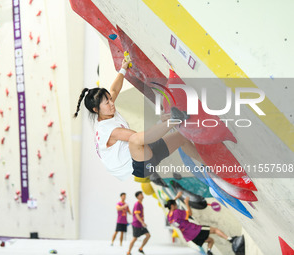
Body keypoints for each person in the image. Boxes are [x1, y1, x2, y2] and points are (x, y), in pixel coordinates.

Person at [74, 58, 204, 181]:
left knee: (182, 138)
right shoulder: (107, 130)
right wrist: (163, 123)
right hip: (140, 167)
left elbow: (114, 89)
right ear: (96, 110)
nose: (111, 103)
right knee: (135, 139)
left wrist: (123, 69)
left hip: (144, 153)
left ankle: (207, 165)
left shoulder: (106, 110)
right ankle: (175, 120)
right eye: (107, 103)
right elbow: (140, 139)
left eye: (109, 99)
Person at [165, 191, 237, 255]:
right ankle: (231, 239)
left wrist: (177, 197)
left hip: (190, 237)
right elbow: (190, 214)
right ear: (172, 206)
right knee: (215, 230)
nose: (177, 206)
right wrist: (187, 203)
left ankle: (209, 252)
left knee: (211, 240)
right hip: (194, 230)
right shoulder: (177, 212)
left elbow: (171, 206)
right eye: (175, 205)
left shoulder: (169, 217)